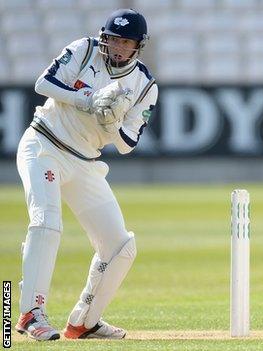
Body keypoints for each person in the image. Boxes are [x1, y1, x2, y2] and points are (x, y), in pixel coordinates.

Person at [14, 9, 157, 340]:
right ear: (103, 38)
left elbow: (127, 144)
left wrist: (111, 122)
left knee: (120, 245)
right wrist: (89, 99)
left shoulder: (144, 84)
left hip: (85, 162)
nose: (118, 48)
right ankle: (30, 314)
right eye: (113, 40)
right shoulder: (85, 50)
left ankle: (84, 321)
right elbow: (43, 83)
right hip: (44, 145)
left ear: (138, 46)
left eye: (126, 42)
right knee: (47, 222)